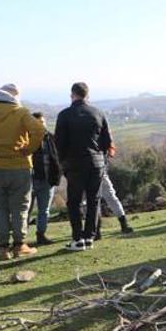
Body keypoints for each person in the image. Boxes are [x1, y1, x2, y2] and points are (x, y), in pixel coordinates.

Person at [0, 83, 45, 259]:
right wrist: (29, 149)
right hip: (19, 166)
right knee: (20, 208)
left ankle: (3, 248)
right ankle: (19, 245)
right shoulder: (20, 112)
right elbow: (39, 129)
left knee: (0, 208)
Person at [55, 82, 112, 251]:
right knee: (94, 201)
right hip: (96, 163)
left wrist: (63, 163)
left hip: (74, 164)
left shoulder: (64, 115)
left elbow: (59, 143)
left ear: (72, 95)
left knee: (74, 201)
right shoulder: (98, 113)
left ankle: (78, 238)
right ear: (87, 95)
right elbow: (106, 142)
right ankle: (89, 237)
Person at [30, 112, 61, 245]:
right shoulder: (26, 138)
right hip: (30, 180)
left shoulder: (51, 138)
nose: (40, 125)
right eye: (37, 122)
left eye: (42, 122)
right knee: (25, 211)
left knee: (44, 210)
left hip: (48, 179)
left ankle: (41, 235)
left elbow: (57, 157)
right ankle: (19, 241)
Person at [95, 150, 135, 240]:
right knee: (110, 197)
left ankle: (95, 230)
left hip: (87, 169)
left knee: (90, 201)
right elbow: (111, 150)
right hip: (99, 166)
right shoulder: (100, 135)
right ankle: (124, 224)